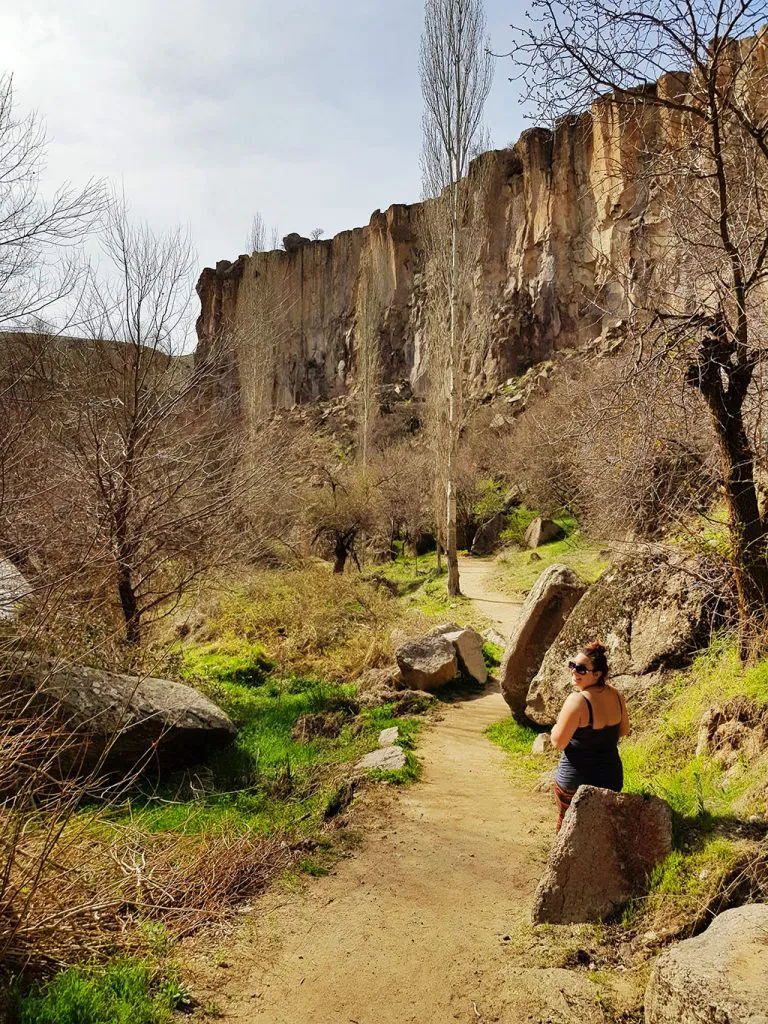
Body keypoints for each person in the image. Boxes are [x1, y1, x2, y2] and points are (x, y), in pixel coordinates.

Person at [549, 641, 630, 831]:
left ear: (597, 674)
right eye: (572, 665)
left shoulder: (577, 701)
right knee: (599, 831)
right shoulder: (617, 696)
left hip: (574, 784)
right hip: (610, 780)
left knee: (568, 829)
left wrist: (554, 729)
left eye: (581, 669)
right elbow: (624, 730)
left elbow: (558, 743)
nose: (574, 672)